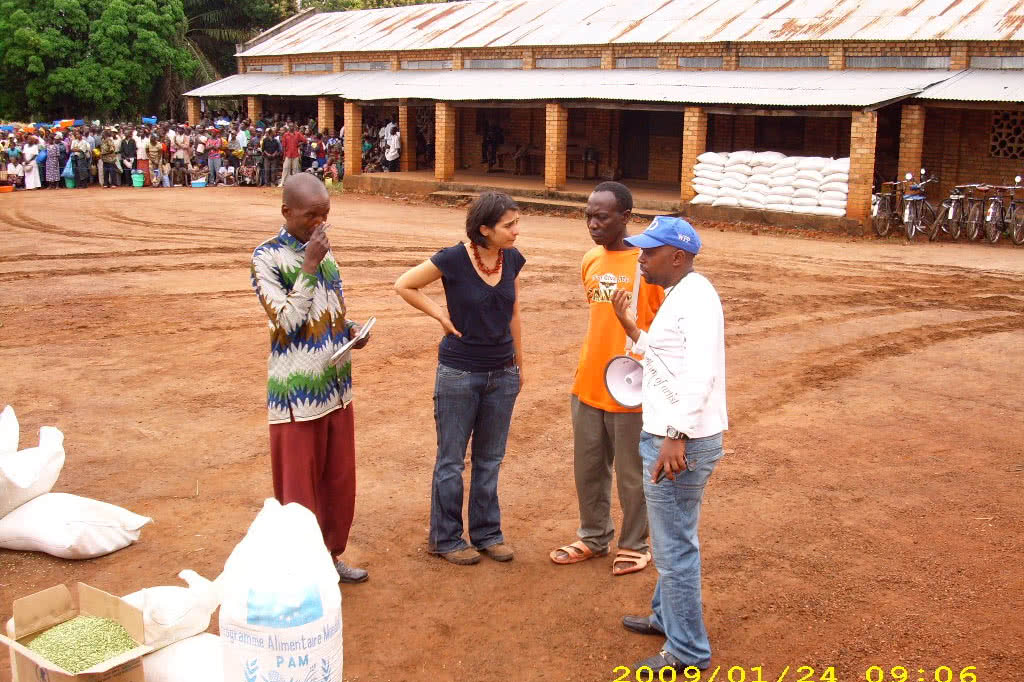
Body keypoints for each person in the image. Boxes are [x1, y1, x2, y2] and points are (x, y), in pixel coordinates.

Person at [609, 216, 727, 676]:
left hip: (680, 442)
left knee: (675, 548)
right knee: (672, 537)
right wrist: (630, 327)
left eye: (649, 251)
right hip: (672, 435)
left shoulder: (696, 299)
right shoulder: (682, 296)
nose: (640, 257)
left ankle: (687, 652)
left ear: (676, 257)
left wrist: (676, 435)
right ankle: (667, 618)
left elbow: (700, 372)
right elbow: (664, 355)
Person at [250, 173, 371, 584]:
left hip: (336, 388)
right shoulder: (266, 258)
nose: (319, 224)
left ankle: (331, 557)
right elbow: (286, 321)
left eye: (325, 215)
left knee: (338, 482)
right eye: (310, 216)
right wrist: (309, 265)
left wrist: (351, 329)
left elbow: (329, 311)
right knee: (299, 489)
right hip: (297, 398)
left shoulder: (325, 254)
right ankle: (302, 573)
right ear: (286, 212)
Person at [394, 192, 525, 566]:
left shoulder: (512, 259)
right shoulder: (452, 258)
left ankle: (487, 534)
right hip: (458, 372)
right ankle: (447, 538)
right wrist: (439, 313)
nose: (516, 231)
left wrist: (520, 363)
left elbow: (513, 311)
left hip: (502, 372)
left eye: (517, 223)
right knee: (451, 460)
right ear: (484, 229)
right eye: (509, 225)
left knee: (490, 458)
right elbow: (404, 284)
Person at [550, 182, 664, 576]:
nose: (593, 224)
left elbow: (662, 330)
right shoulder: (590, 261)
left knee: (633, 474)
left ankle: (635, 544)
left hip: (634, 388)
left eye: (602, 216)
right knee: (589, 468)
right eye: (588, 216)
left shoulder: (648, 265)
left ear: (625, 217)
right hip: (589, 383)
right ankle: (594, 536)